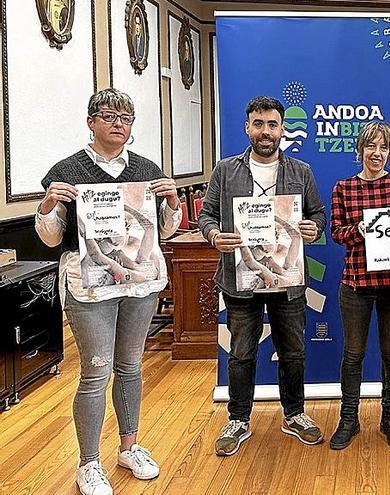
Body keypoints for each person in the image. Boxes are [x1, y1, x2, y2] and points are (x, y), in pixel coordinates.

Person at [36, 88, 182, 495]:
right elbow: (50, 240)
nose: (119, 123)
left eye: (127, 118)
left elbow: (164, 232)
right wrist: (48, 206)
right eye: (109, 116)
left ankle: (129, 446)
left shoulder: (148, 169)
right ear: (91, 121)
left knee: (131, 367)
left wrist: (171, 202)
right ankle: (88, 462)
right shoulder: (66, 171)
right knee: (96, 371)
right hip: (88, 288)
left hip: (139, 282)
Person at [199, 96, 326, 456]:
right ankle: (238, 420)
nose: (265, 131)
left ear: (282, 129)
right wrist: (214, 236)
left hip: (287, 280)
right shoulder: (226, 170)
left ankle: (295, 414)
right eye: (258, 124)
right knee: (240, 353)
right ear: (247, 128)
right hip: (240, 280)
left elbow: (318, 216)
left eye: (272, 124)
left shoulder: (301, 172)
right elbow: (206, 216)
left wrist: (313, 228)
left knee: (294, 351)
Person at [328, 121, 390, 450]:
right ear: (360, 150)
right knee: (353, 354)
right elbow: (336, 232)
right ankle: (348, 419)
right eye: (371, 147)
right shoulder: (343, 188)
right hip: (355, 283)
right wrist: (360, 229)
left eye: (383, 148)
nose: (376, 154)